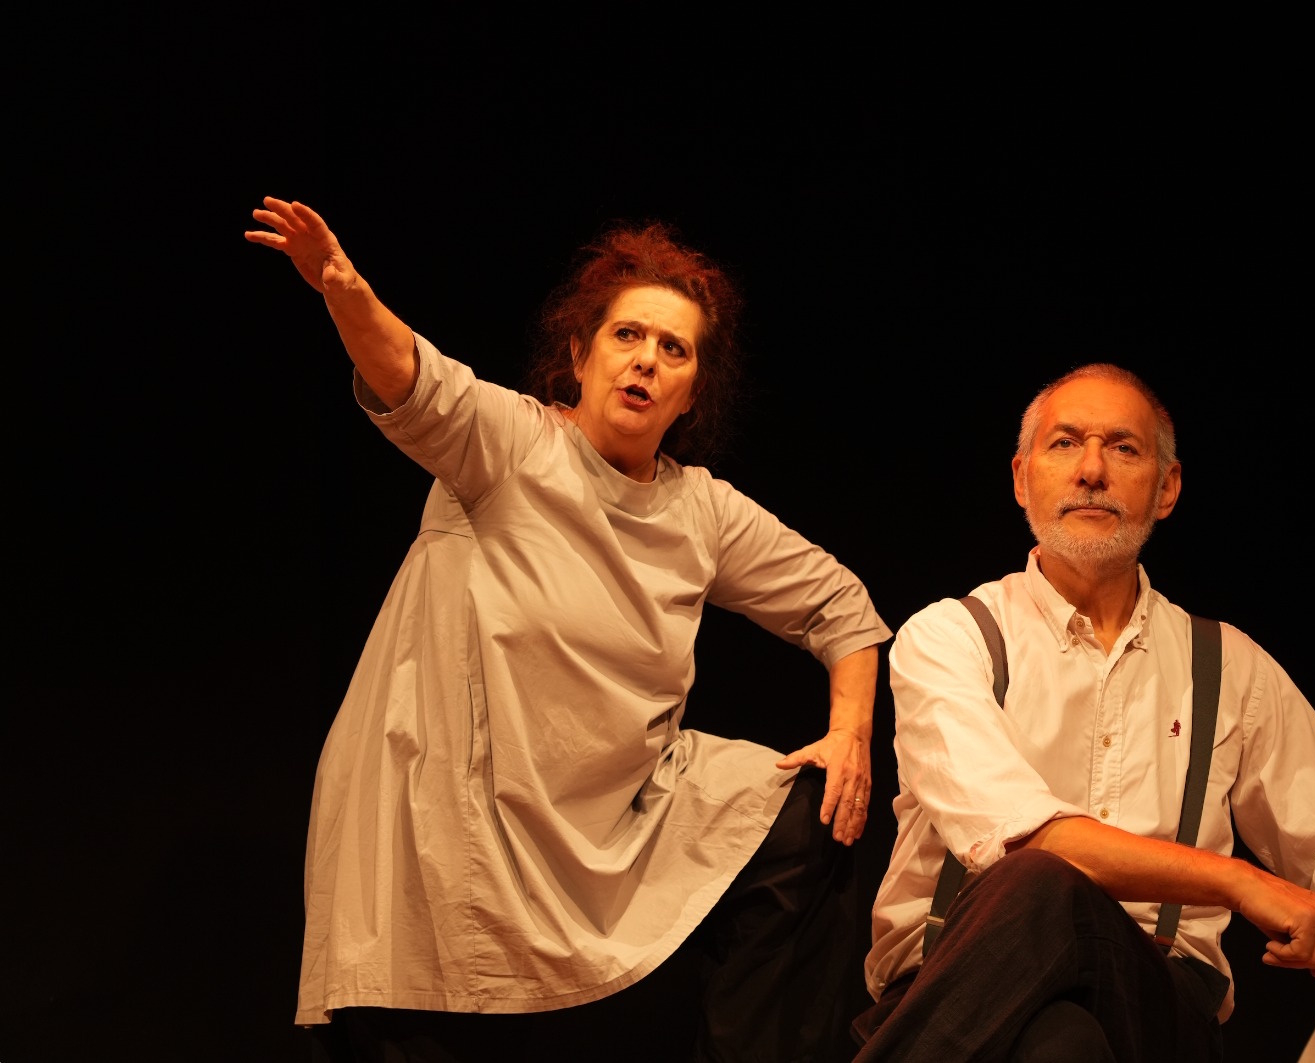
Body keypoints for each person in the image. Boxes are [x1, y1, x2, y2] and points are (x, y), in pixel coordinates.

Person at [245, 197, 892, 1062]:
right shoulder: (509, 445)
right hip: (459, 822)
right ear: (581, 356)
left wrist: (850, 734)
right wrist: (344, 290)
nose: (647, 359)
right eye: (628, 335)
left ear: (692, 393)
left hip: (613, 824)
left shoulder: (701, 510)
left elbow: (841, 606)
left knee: (807, 816)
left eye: (674, 349)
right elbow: (410, 373)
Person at [849, 364, 1315, 1062]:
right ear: (1021, 478)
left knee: (1049, 907)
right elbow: (1026, 838)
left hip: (1156, 1009)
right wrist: (1242, 882)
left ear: (1167, 488)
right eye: (1065, 443)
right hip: (957, 982)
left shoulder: (1227, 666)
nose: (1092, 470)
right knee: (1059, 1033)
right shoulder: (950, 637)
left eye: (1123, 448)